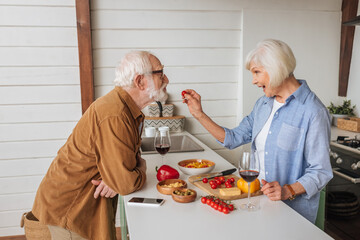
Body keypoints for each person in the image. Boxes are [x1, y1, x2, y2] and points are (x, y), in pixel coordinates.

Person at [182, 39, 333, 223]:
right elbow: (233, 138)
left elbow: (321, 171)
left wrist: (288, 190)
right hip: (258, 202)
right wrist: (199, 114)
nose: (254, 81)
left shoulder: (313, 111)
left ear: (276, 68)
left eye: (256, 72)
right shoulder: (263, 104)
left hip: (292, 214)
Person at [32, 51, 169, 239]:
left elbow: (124, 169)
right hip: (69, 214)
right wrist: (139, 169)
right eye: (160, 73)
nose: (166, 79)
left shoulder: (127, 110)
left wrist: (118, 177)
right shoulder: (115, 114)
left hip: (81, 209)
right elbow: (126, 182)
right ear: (140, 81)